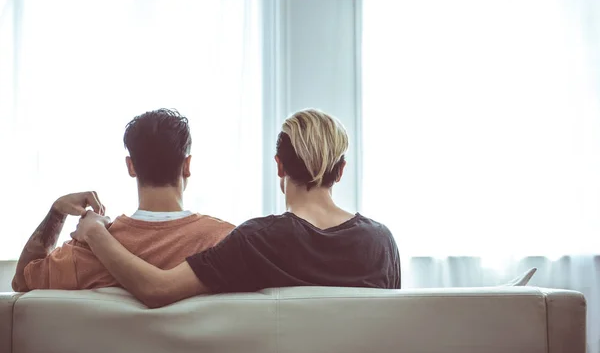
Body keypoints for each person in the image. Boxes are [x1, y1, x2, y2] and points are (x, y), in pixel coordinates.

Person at [71, 109, 400, 308]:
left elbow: (157, 290)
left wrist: (96, 233)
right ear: (341, 171)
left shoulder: (260, 239)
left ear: (279, 166)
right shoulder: (381, 242)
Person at [12, 109, 234, 292]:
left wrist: (57, 212)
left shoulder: (86, 251)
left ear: (131, 166)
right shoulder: (223, 240)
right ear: (187, 165)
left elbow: (21, 282)